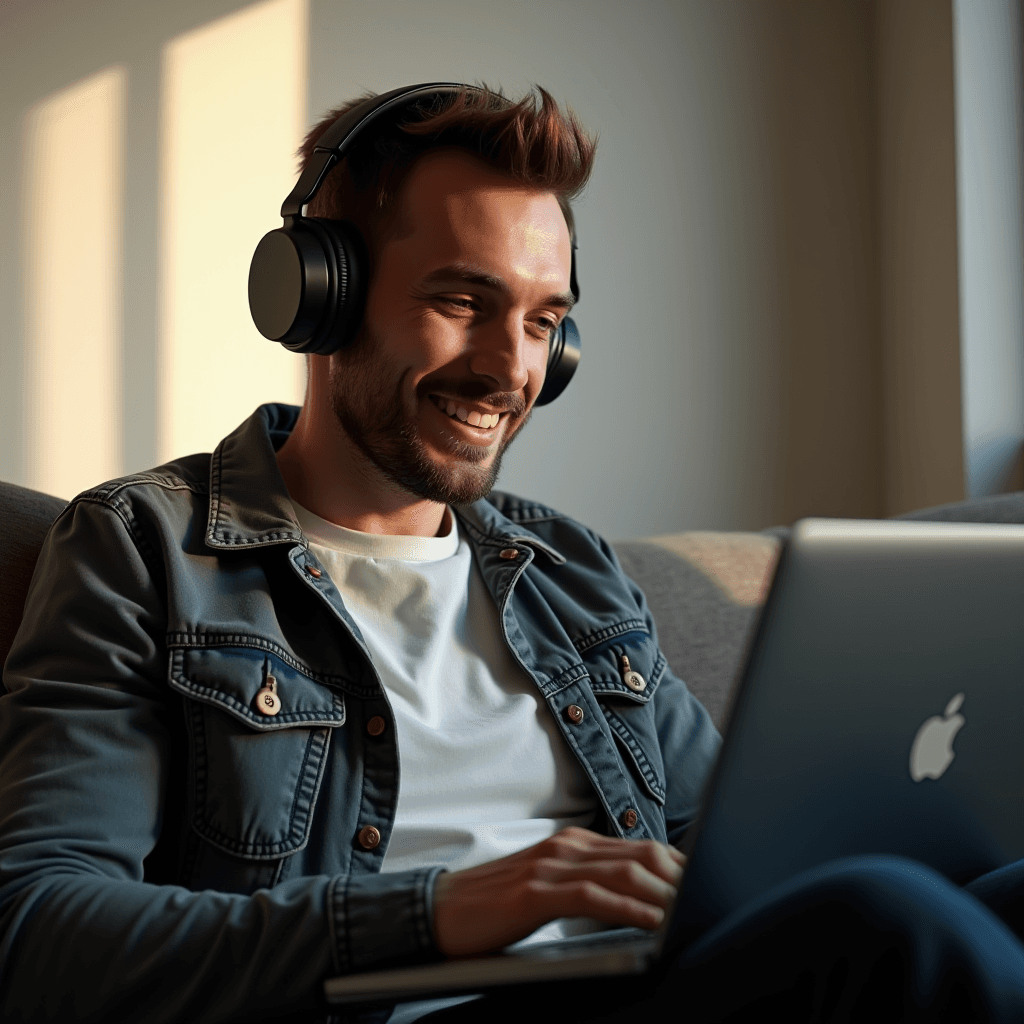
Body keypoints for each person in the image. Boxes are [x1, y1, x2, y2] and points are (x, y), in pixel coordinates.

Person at [2, 83, 1024, 1024]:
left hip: (645, 987)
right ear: (320, 294)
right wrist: (440, 908)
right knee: (890, 922)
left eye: (544, 323)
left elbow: (736, 847)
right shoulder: (144, 547)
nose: (510, 370)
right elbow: (40, 934)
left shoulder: (565, 568)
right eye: (462, 303)